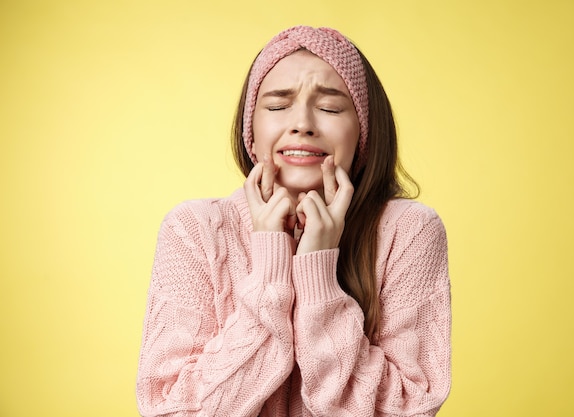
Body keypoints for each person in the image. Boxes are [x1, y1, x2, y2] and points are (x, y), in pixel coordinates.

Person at [136, 25, 451, 417]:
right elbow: (170, 409)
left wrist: (318, 273)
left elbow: (410, 408)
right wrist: (270, 272)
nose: (302, 123)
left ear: (363, 133)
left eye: (331, 107)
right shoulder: (193, 229)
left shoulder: (409, 231)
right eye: (277, 105)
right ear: (251, 131)